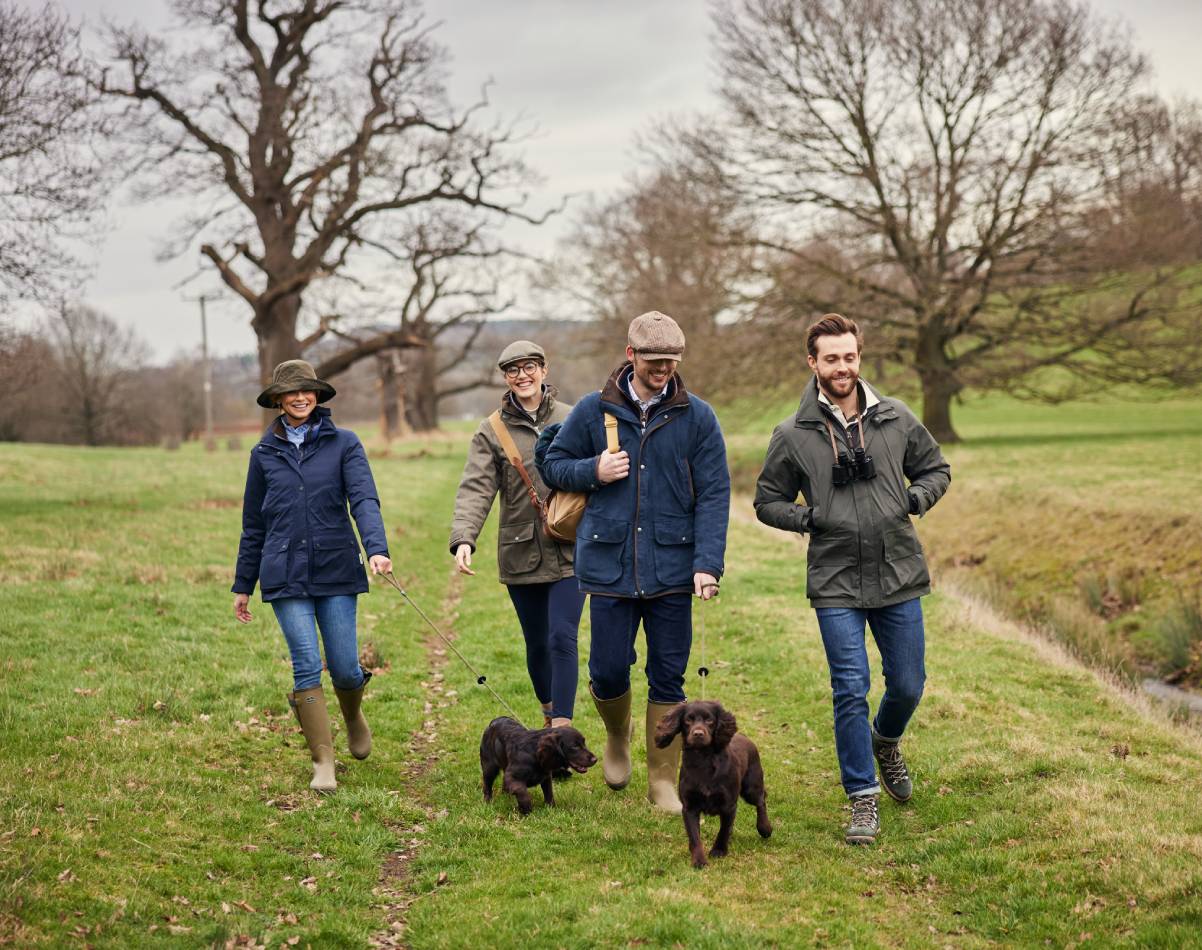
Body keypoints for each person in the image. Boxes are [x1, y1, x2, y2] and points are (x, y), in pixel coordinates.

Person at [753, 313, 950, 844]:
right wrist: (806, 518)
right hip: (835, 575)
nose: (842, 367)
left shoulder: (897, 417)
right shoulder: (793, 435)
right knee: (850, 688)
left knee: (908, 684)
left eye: (850, 356)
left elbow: (937, 470)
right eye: (831, 358)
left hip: (898, 570)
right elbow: (767, 501)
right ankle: (862, 799)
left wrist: (913, 499)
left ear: (859, 357)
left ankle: (885, 741)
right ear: (812, 362)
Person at [541, 311, 729, 814]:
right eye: (654, 361)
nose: (664, 369)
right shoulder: (590, 410)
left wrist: (708, 562)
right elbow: (552, 464)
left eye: (671, 361)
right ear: (631, 356)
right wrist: (593, 470)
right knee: (606, 671)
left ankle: (663, 780)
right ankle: (617, 738)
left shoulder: (698, 417)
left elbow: (714, 493)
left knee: (669, 674)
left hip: (673, 567)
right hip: (609, 565)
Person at [232, 360, 392, 794]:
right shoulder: (263, 454)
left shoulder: (344, 444)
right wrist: (243, 585)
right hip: (283, 571)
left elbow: (363, 498)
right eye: (291, 393)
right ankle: (323, 761)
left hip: (337, 567)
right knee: (305, 662)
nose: (300, 398)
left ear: (317, 396)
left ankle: (353, 711)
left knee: (342, 665)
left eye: (306, 391)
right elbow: (253, 524)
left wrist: (376, 549)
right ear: (278, 401)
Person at [449, 341, 585, 728]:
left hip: (572, 549)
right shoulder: (491, 430)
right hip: (520, 552)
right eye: (513, 370)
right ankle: (547, 714)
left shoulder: (574, 417)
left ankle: (562, 728)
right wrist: (463, 538)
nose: (522, 376)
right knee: (538, 643)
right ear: (505, 378)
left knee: (563, 637)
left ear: (544, 370)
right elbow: (476, 487)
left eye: (529, 367)